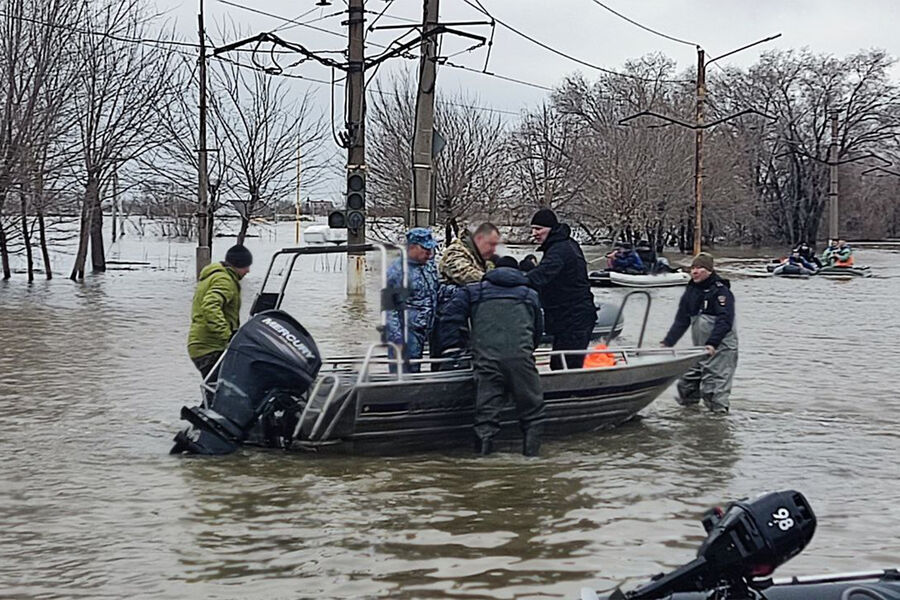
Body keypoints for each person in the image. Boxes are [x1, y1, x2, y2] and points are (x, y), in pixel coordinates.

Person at [437, 256, 545, 456]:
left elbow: (449, 318)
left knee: (485, 418)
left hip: (486, 360)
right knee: (533, 414)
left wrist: (455, 348)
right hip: (521, 360)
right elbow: (538, 330)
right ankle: (531, 462)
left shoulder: (473, 291)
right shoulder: (529, 295)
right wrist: (527, 352)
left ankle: (484, 465)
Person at [661, 252, 738, 413]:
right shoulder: (692, 291)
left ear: (709, 270)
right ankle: (690, 417)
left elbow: (725, 320)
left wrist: (712, 343)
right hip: (700, 348)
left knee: (713, 389)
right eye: (692, 268)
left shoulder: (721, 292)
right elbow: (682, 320)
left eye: (699, 268)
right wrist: (668, 342)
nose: (694, 272)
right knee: (686, 383)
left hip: (720, 348)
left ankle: (717, 424)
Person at [526, 208, 596, 370]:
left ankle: (572, 394)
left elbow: (540, 276)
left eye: (538, 229)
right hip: (567, 317)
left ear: (551, 228)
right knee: (559, 363)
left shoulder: (559, 250)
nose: (534, 233)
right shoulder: (562, 244)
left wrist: (511, 280)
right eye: (533, 229)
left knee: (564, 366)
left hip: (574, 318)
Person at [187, 244, 253, 378]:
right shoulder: (224, 281)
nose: (248, 271)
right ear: (237, 265)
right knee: (225, 388)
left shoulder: (214, 276)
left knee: (216, 388)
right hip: (210, 347)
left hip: (201, 345)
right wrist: (227, 335)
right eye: (246, 266)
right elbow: (210, 306)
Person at [386, 228, 439, 372]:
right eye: (425, 249)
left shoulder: (430, 267)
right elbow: (388, 308)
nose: (429, 253)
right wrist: (396, 339)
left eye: (431, 249)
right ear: (412, 247)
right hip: (406, 332)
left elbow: (436, 290)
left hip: (426, 329)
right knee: (405, 374)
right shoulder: (397, 271)